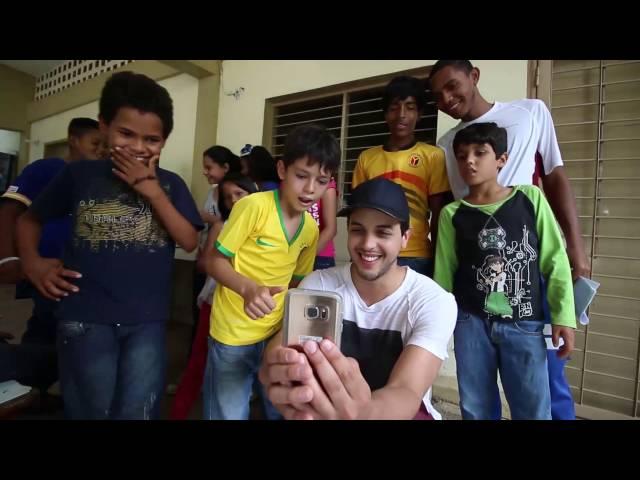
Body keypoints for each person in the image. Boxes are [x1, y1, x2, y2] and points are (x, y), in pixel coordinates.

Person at [16, 71, 203, 420]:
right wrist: (33, 262)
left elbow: (189, 241)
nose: (137, 147)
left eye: (152, 139)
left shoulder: (170, 184)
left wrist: (151, 190)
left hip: (146, 321)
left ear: (164, 141)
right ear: (103, 126)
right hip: (85, 317)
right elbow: (29, 219)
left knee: (138, 410)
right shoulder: (80, 176)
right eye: (125, 134)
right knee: (90, 408)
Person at [430, 59, 588, 419]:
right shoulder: (446, 148)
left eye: (453, 85)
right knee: (477, 400)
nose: (447, 97)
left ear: (474, 76)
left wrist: (577, 251)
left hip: (527, 287)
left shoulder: (529, 113)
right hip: (473, 306)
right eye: (438, 94)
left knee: (542, 386)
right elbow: (445, 266)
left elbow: (555, 174)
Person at [258, 178, 457, 420]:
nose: (368, 244)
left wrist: (360, 414)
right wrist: (279, 366)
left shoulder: (433, 301)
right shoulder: (319, 285)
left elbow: (406, 390)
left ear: (405, 237)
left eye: (383, 232)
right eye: (358, 230)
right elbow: (282, 347)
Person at [203, 124, 340, 420]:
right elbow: (213, 261)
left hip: (276, 336)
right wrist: (248, 289)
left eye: (321, 181)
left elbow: (296, 282)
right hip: (233, 335)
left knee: (280, 410)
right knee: (228, 413)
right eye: (301, 176)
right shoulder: (253, 207)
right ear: (281, 170)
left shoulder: (311, 229)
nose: (310, 189)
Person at [170, 173, 258, 420]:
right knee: (199, 364)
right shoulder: (223, 226)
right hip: (216, 303)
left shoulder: (267, 224)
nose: (234, 201)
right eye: (229, 198)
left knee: (255, 371)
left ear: (253, 191)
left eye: (240, 193)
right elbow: (206, 264)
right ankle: (177, 413)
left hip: (255, 309)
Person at [352, 76, 451, 278]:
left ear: (420, 114)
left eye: (410, 107)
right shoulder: (367, 158)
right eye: (394, 107)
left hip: (417, 255)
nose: (402, 115)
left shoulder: (433, 156)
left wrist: (439, 260)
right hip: (375, 251)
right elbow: (357, 212)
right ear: (386, 114)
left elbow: (439, 215)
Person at [307, 177, 337, 270]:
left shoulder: (327, 185)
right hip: (292, 255)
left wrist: (306, 257)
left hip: (320, 256)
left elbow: (331, 230)